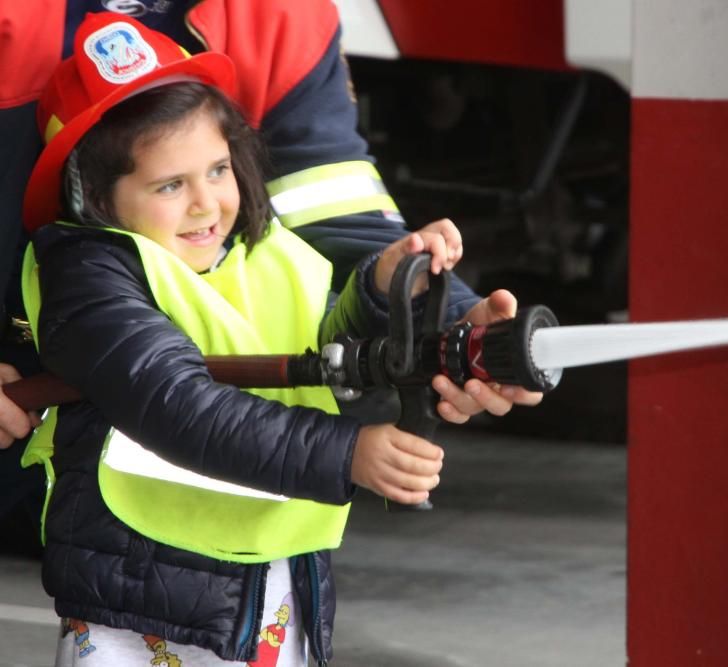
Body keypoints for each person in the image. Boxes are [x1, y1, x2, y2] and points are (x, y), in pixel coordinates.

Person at [21, 13, 510, 664]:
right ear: (96, 198)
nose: (206, 203)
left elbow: (313, 349)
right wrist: (346, 454)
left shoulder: (259, 251)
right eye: (170, 184)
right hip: (142, 605)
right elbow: (174, 402)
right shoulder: (88, 275)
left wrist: (378, 291)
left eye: (218, 169)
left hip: (269, 580)